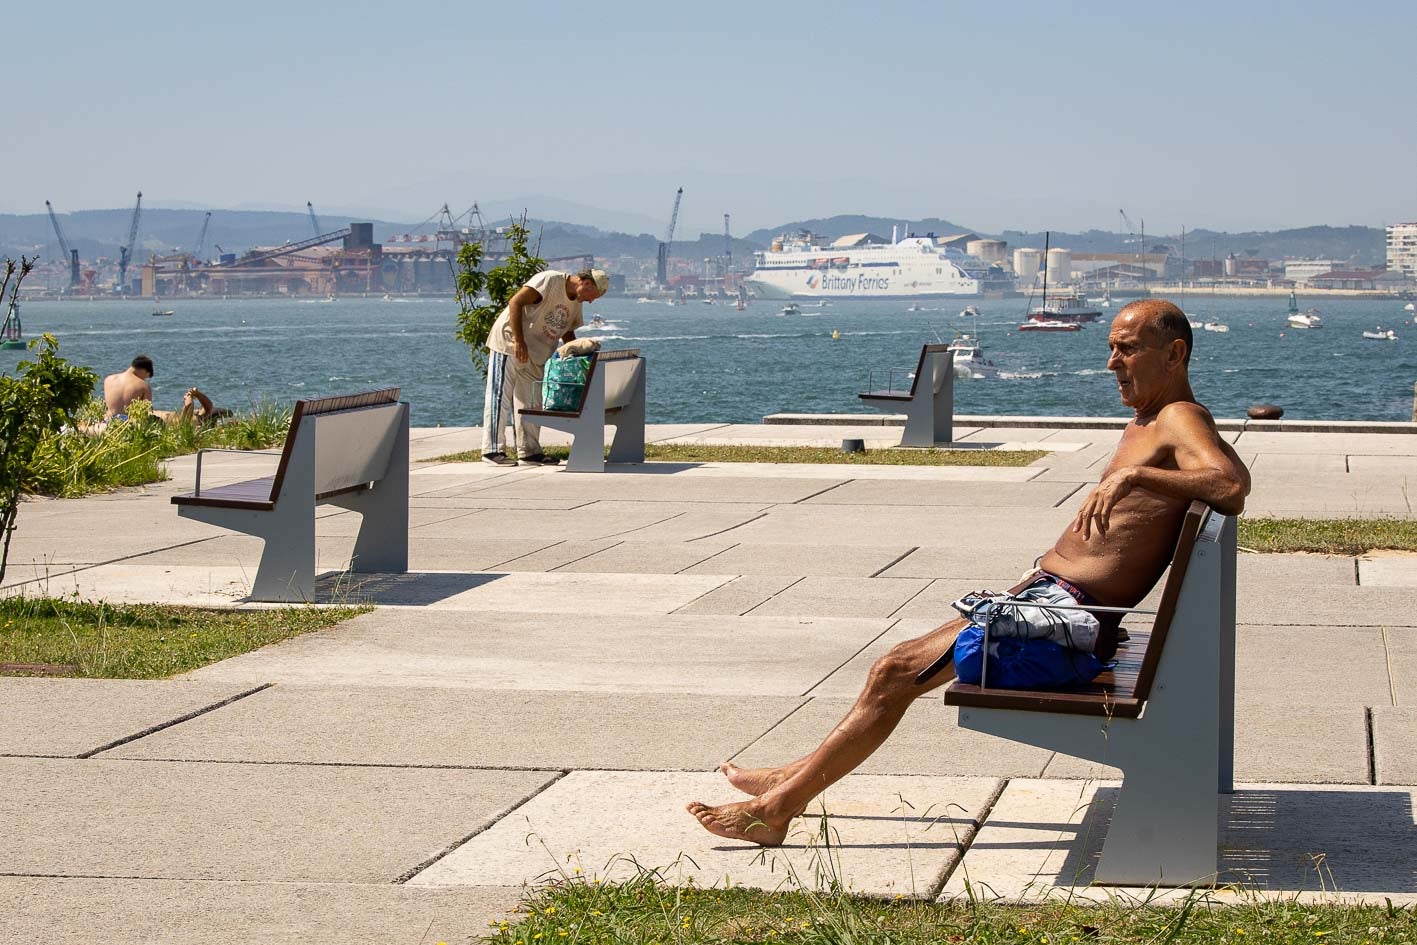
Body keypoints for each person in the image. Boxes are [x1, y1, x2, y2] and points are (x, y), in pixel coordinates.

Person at [686, 299, 1252, 847]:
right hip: (1051, 599)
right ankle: (791, 778)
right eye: (1110, 349)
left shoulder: (1178, 417)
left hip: (1064, 622)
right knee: (893, 668)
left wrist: (1138, 480)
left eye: (1127, 350)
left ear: (1174, 354)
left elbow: (1230, 484)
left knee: (891, 673)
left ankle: (774, 810)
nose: (1112, 364)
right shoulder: (1150, 420)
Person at [481, 268, 608, 466]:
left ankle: (529, 451)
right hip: (509, 344)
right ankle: (492, 450)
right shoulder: (549, 280)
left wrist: (574, 356)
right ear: (587, 283)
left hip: (537, 354)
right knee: (499, 396)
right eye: (594, 296)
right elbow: (515, 302)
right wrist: (518, 341)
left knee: (531, 401)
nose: (591, 301)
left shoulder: (575, 303)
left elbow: (568, 334)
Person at [102, 355, 228, 425]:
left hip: (109, 420)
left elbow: (199, 409)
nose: (145, 380)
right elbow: (208, 406)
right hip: (128, 422)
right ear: (145, 371)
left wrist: (190, 400)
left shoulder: (109, 379)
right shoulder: (142, 386)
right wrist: (195, 395)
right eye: (146, 376)